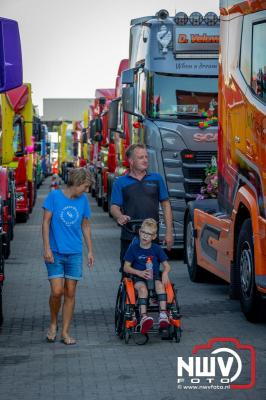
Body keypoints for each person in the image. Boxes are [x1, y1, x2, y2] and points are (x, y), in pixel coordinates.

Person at [42, 168, 94, 345]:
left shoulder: (83, 200)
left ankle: (65, 332)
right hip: (55, 252)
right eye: (85, 186)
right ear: (77, 183)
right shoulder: (54, 196)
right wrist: (47, 248)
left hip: (75, 253)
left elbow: (85, 225)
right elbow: (45, 222)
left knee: (70, 292)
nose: (86, 190)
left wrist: (90, 251)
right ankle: (53, 323)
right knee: (57, 291)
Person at [110, 143, 173, 270]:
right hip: (129, 236)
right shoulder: (120, 182)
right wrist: (120, 216)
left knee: (153, 273)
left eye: (146, 157)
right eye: (140, 157)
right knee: (127, 273)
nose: (145, 160)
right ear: (131, 161)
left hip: (151, 236)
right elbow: (114, 207)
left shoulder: (156, 179)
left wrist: (169, 232)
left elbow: (166, 206)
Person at [123, 218, 171, 334]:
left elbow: (167, 266)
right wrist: (138, 273)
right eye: (143, 233)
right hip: (138, 278)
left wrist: (165, 273)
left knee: (160, 286)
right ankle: (144, 317)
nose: (145, 236)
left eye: (148, 234)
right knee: (142, 289)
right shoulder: (133, 248)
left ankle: (163, 315)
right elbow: (126, 267)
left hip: (153, 277)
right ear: (139, 232)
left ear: (153, 237)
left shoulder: (157, 249)